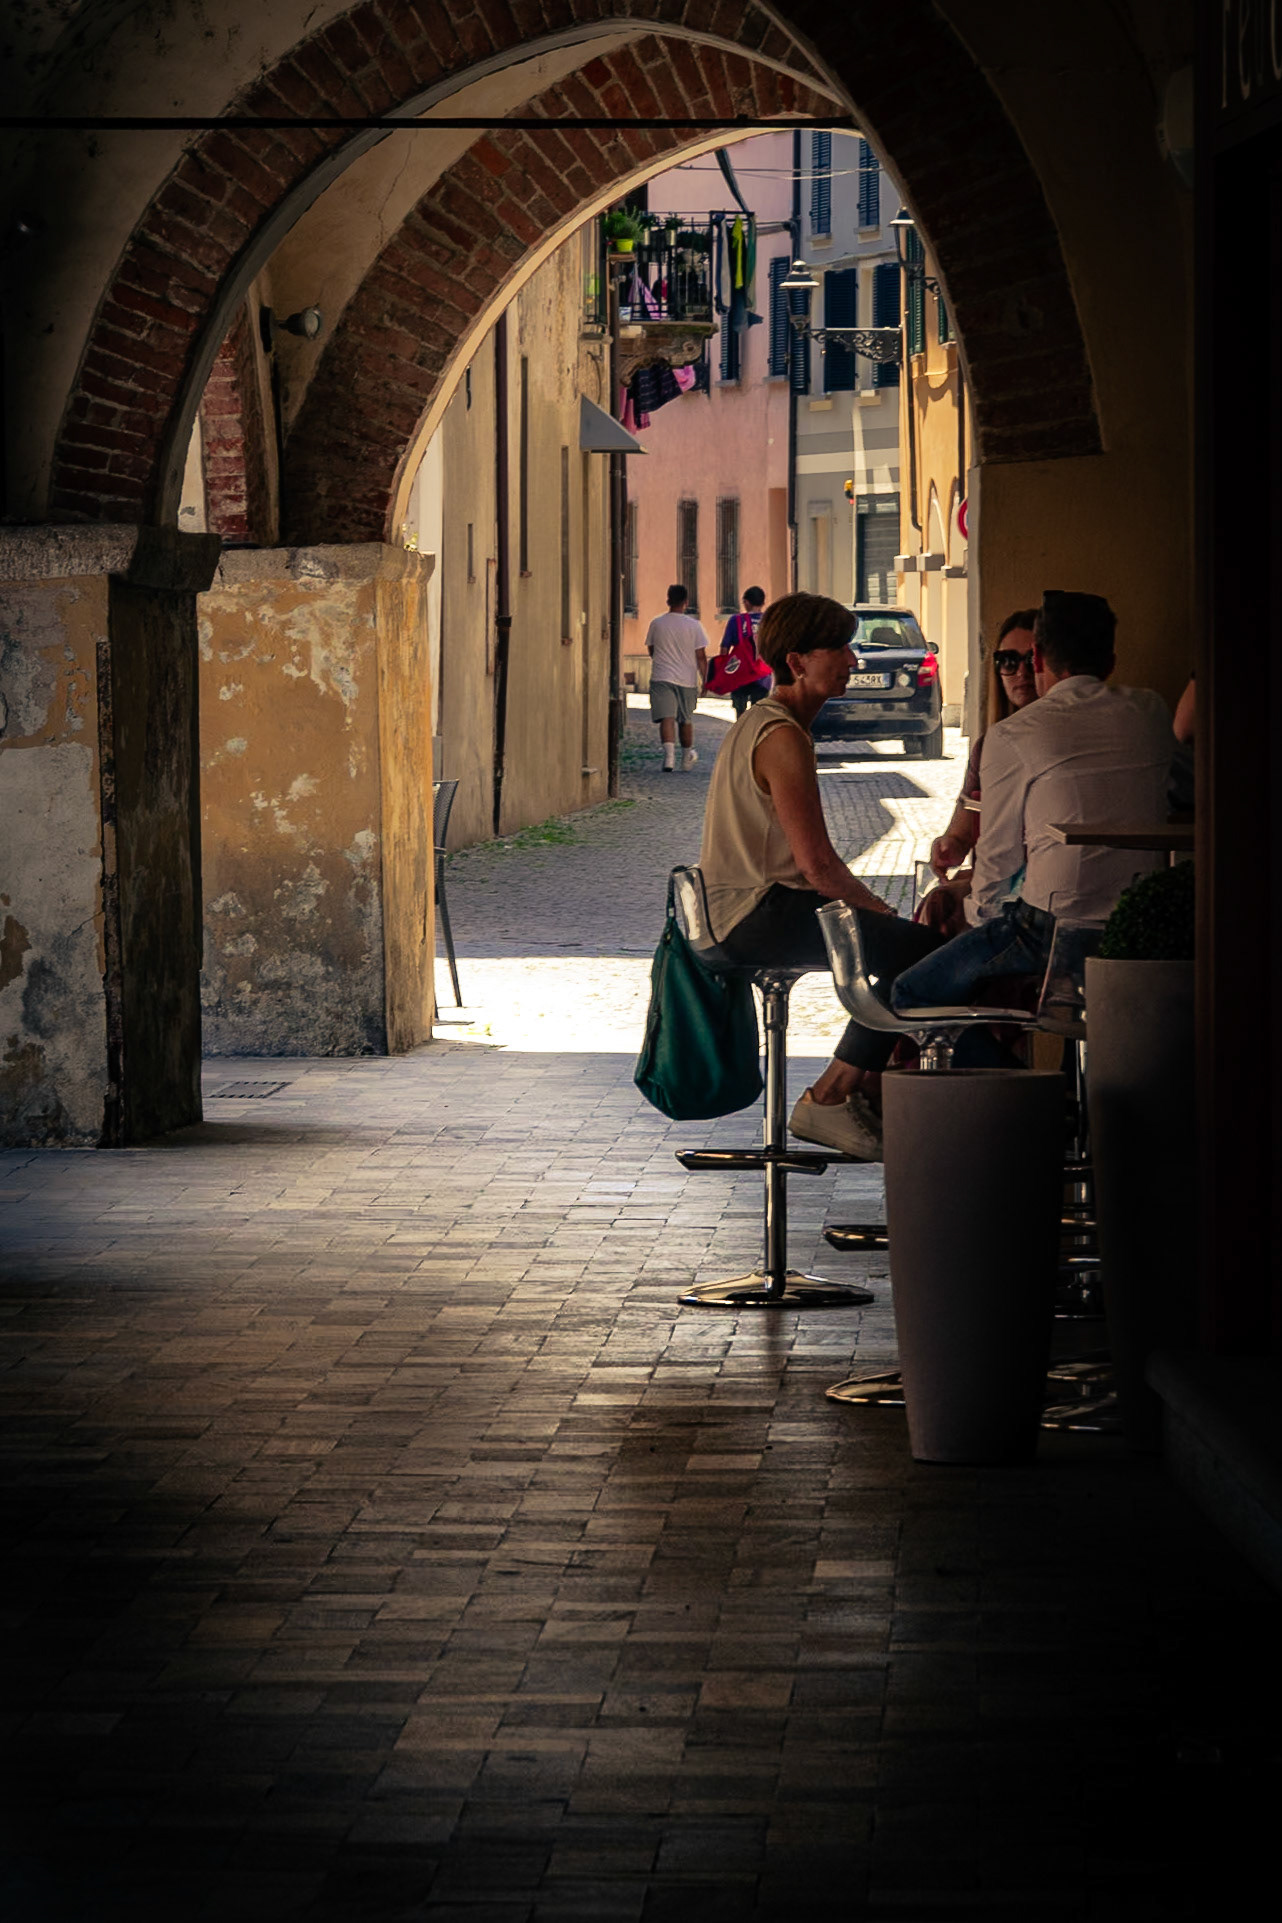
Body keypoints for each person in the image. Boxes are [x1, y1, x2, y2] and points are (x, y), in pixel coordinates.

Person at [698, 592, 940, 1161]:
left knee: (911, 953)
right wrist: (882, 910)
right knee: (927, 957)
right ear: (798, 659)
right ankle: (833, 1095)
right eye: (840, 648)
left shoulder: (762, 722)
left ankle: (865, 1090)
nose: (854, 662)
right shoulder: (782, 736)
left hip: (741, 912)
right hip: (758, 914)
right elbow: (819, 865)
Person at [887, 589, 1175, 1025]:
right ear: (1111, 662)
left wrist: (975, 920)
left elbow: (999, 861)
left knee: (909, 992)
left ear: (1038, 658)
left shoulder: (1014, 735)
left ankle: (1004, 1089)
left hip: (1050, 930)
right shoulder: (1152, 710)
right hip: (1141, 923)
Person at [921, 607, 1039, 936]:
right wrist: (949, 847)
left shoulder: (1065, 740)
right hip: (995, 897)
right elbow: (961, 832)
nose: (1020, 672)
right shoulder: (990, 746)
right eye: (1007, 660)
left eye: (1031, 659)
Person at [645, 584, 709, 772]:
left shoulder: (657, 623)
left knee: (667, 717)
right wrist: (705, 680)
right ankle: (686, 757)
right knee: (686, 719)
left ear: (668, 601)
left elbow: (652, 650)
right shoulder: (695, 626)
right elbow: (701, 657)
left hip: (661, 676)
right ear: (686, 603)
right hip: (686, 678)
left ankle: (669, 758)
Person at [711, 585, 773, 716]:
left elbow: (725, 647)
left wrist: (724, 670)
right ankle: (756, 735)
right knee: (759, 712)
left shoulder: (736, 620)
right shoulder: (769, 621)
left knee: (740, 712)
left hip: (739, 673)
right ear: (763, 602)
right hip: (762, 674)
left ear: (746, 602)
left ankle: (741, 734)